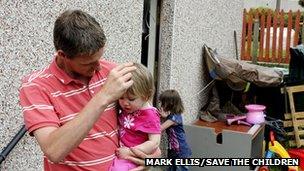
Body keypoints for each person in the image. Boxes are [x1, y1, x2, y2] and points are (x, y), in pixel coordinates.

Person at [19, 9, 156, 171]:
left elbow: (146, 124)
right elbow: (54, 151)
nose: (98, 67)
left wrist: (149, 162)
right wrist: (104, 96)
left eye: (99, 58)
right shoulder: (36, 86)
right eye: (88, 63)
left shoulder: (113, 73)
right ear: (62, 55)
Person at [110, 63, 161, 171]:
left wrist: (130, 151)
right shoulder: (129, 108)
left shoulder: (150, 115)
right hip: (121, 152)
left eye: (131, 99)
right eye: (121, 98)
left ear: (146, 96)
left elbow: (154, 142)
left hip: (133, 156)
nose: (125, 103)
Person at [159, 89, 192, 171]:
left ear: (171, 104)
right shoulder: (171, 117)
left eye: (163, 103)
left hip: (180, 151)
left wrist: (162, 117)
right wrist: (163, 117)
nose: (161, 105)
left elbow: (159, 129)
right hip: (173, 150)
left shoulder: (175, 118)